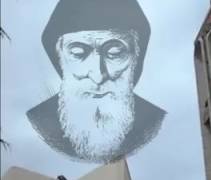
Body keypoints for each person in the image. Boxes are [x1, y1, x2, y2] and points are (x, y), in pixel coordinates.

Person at [26, 0, 165, 164]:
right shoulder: (39, 119)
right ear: (59, 58)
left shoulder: (153, 122)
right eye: (78, 53)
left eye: (114, 52)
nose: (98, 75)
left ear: (135, 59)